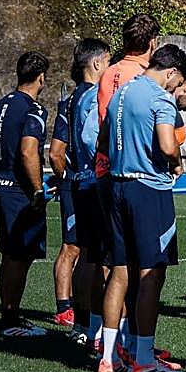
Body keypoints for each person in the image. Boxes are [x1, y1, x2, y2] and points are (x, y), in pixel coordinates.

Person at [97, 43, 186, 372]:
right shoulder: (158, 97)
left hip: (118, 186)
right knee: (152, 273)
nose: (176, 90)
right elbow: (167, 144)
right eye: (178, 83)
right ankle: (144, 359)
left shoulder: (123, 93)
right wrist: (175, 161)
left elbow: (104, 140)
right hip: (149, 190)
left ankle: (108, 356)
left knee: (120, 270)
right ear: (171, 72)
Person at [92, 13, 160, 366]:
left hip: (105, 171)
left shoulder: (108, 73)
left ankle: (107, 347)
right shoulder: (143, 80)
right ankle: (137, 347)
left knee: (116, 263)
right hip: (136, 174)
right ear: (152, 44)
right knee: (144, 267)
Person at [0, 52, 51, 337]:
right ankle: (10, 320)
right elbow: (28, 150)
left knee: (10, 254)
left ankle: (9, 313)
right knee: (18, 256)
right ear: (41, 77)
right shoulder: (32, 109)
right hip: (18, 192)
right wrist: (38, 189)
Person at [60, 39, 111, 348]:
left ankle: (83, 322)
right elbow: (92, 138)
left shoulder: (73, 96)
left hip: (78, 179)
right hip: (92, 180)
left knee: (86, 253)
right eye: (107, 62)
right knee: (99, 257)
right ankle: (96, 324)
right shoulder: (92, 95)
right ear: (96, 64)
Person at [47, 83, 79, 329]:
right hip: (76, 183)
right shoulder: (70, 104)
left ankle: (79, 306)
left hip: (91, 182)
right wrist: (65, 178)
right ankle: (64, 308)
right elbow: (56, 153)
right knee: (72, 246)